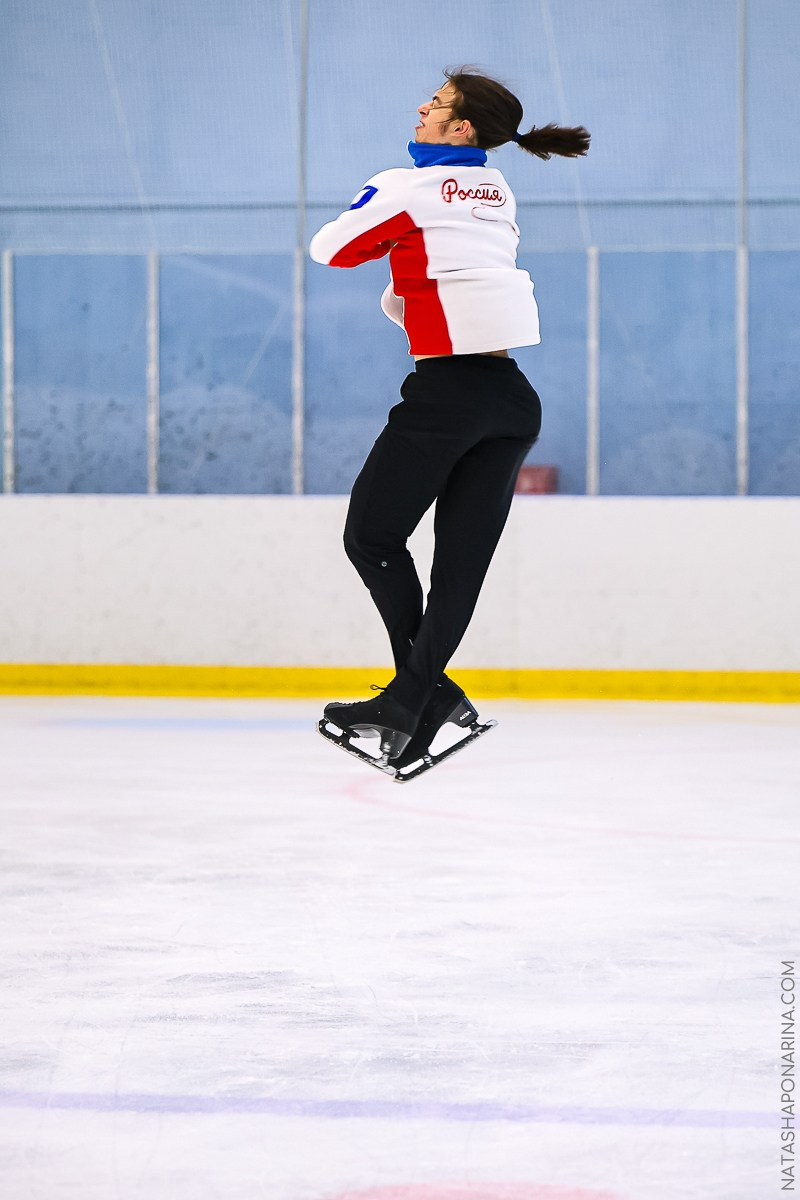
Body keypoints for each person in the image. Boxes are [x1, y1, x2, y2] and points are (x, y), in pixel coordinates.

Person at [310, 67, 590, 774]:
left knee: (372, 538)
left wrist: (382, 228)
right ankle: (414, 697)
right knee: (459, 566)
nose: (421, 109)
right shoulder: (495, 188)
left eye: (435, 104)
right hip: (510, 397)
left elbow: (331, 249)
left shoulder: (409, 187)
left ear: (460, 128)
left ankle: (419, 693)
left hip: (447, 396)